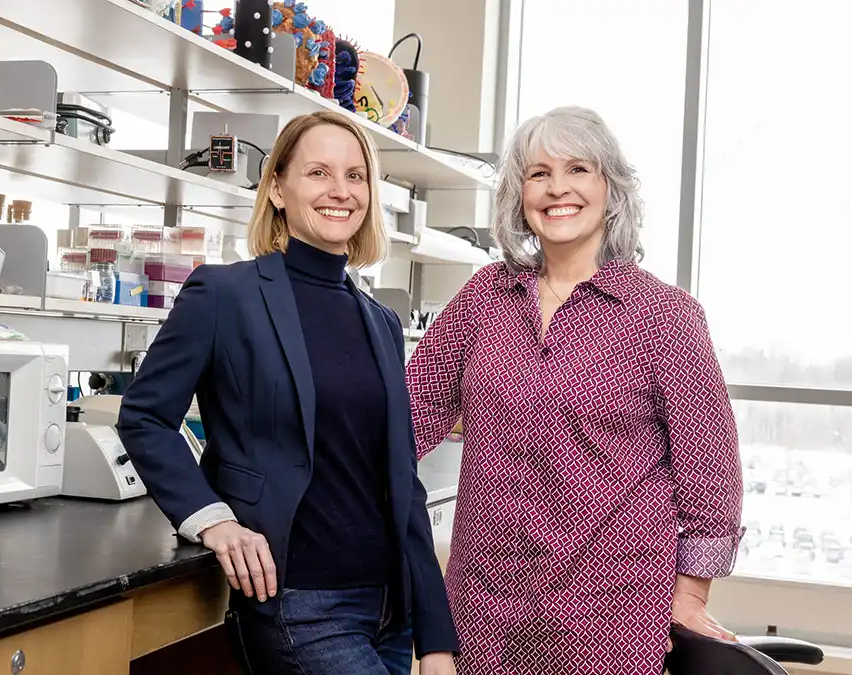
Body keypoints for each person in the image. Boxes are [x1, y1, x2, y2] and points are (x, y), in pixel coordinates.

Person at [405, 105, 744, 675]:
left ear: (610, 187)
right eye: (538, 174)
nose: (557, 189)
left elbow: (710, 474)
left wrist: (691, 595)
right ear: (519, 195)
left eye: (577, 169)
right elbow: (405, 418)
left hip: (609, 618)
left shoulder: (664, 315)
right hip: (484, 608)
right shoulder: (484, 299)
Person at [117, 110, 458, 675]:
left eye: (356, 176)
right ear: (277, 187)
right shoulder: (224, 295)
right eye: (318, 173)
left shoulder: (381, 321)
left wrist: (436, 639)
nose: (340, 192)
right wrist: (212, 518)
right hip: (300, 604)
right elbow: (146, 418)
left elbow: (403, 482)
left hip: (389, 610)